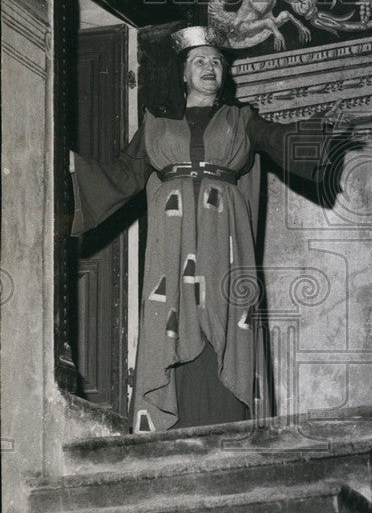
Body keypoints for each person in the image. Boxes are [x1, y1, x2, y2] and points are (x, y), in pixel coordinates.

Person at [70, 25, 345, 433]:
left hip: (224, 245)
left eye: (216, 61)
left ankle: (231, 429)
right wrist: (71, 169)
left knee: (229, 319)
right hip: (171, 247)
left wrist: (322, 141)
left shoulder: (241, 120)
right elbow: (124, 175)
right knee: (170, 321)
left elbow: (277, 139)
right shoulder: (155, 128)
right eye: (199, 61)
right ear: (183, 74)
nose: (209, 67)